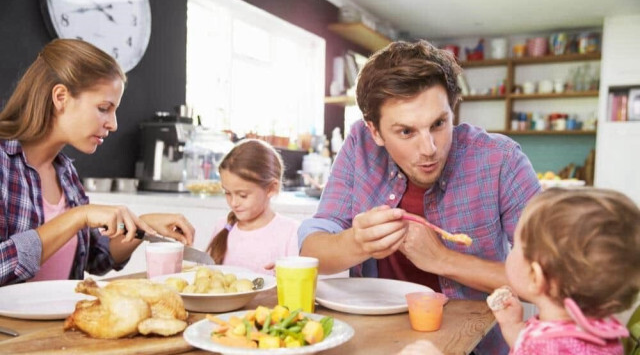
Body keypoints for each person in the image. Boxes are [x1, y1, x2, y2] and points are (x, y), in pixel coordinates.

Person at [297, 39, 541, 354]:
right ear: (375, 131)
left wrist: (443, 260)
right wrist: (356, 243)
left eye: (439, 124)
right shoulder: (359, 144)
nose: (429, 149)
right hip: (372, 341)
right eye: (406, 132)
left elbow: (551, 280)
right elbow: (311, 249)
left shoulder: (501, 159)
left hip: (472, 346)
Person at [0, 39, 195, 286]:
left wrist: (142, 226)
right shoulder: (4, 164)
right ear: (61, 97)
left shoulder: (65, 174)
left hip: (59, 323)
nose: (113, 124)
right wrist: (78, 216)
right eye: (104, 108)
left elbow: (96, 259)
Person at [489, 187, 640, 354]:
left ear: (535, 276)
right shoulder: (598, 333)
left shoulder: (544, 348)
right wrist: (513, 326)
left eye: (516, 246)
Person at [206, 139, 299, 275]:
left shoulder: (291, 233)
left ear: (271, 189)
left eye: (242, 195)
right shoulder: (222, 226)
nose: (233, 203)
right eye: (227, 193)